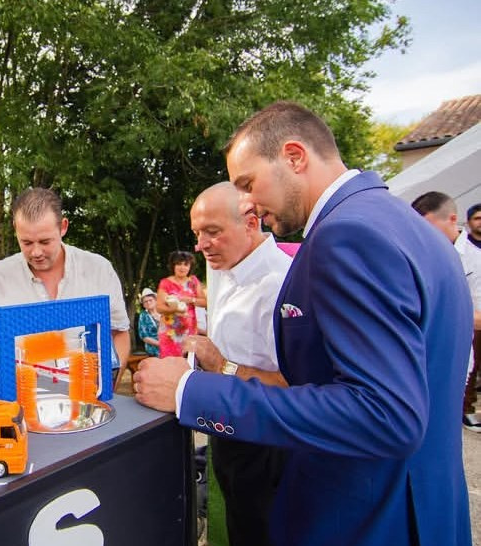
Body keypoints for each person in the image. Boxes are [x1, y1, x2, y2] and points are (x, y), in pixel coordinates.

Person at [133, 101, 472, 546]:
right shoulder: (410, 225)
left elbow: (385, 415)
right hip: (426, 509)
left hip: (365, 518)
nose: (248, 202)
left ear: (294, 157)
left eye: (248, 183)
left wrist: (189, 391)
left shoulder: (347, 235)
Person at [185, 181, 291, 546]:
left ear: (251, 222)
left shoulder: (283, 283)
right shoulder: (220, 264)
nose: (201, 245)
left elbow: (297, 385)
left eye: (212, 232)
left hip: (268, 441)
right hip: (226, 429)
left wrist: (222, 365)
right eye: (197, 233)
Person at [0, 187, 130, 378]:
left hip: (88, 398)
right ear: (15, 229)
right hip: (20, 403)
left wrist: (107, 390)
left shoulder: (99, 270)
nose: (36, 252)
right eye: (27, 243)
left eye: (45, 242)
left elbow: (119, 334)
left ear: (63, 227)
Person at [410, 192, 481, 431]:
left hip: (455, 349)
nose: (423, 233)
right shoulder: (416, 251)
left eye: (429, 225)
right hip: (422, 352)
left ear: (452, 219)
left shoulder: (473, 257)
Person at [155, 250, 206, 357]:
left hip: (189, 331)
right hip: (170, 333)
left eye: (186, 264)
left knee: (188, 361)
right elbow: (159, 307)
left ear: (190, 267)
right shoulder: (166, 283)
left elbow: (205, 302)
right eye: (179, 264)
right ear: (173, 266)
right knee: (170, 364)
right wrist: (175, 309)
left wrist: (191, 300)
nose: (182, 267)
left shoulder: (193, 281)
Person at [137, 288, 161, 357]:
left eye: (150, 300)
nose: (148, 303)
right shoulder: (143, 316)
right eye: (145, 301)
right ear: (143, 305)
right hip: (153, 352)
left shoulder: (163, 313)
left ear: (156, 300)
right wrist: (160, 344)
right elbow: (144, 337)